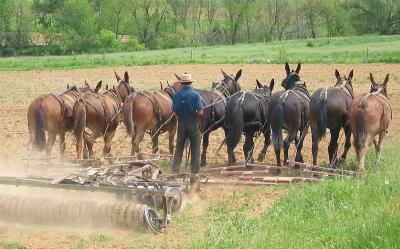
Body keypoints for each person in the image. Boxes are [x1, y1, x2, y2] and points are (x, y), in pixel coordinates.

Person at [172, 73, 204, 180]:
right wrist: (193, 113)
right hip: (193, 123)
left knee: (179, 147)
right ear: (190, 83)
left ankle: (175, 170)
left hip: (181, 124)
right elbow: (200, 112)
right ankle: (194, 172)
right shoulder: (195, 95)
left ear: (181, 83)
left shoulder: (176, 95)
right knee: (195, 147)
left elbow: (174, 112)